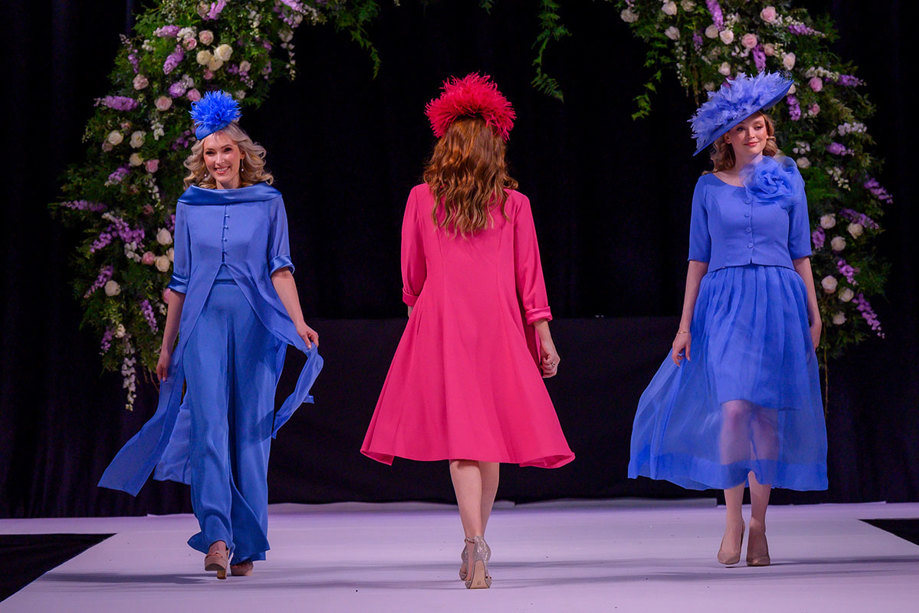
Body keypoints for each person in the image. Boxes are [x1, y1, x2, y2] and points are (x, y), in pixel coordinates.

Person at [361, 74, 574, 589]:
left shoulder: (420, 199)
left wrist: (421, 318)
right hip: (498, 326)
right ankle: (479, 542)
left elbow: (412, 277)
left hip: (444, 324)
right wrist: (543, 337)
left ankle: (472, 542)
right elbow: (531, 280)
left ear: (448, 145)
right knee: (490, 442)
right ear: (493, 147)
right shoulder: (514, 205)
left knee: (462, 441)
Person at [98, 91, 323, 580]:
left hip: (257, 326)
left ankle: (248, 544)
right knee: (208, 429)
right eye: (209, 152)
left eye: (225, 150)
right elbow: (179, 282)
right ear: (201, 159)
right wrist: (165, 347)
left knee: (250, 434)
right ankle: (217, 537)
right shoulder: (189, 205)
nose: (218, 159)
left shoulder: (268, 202)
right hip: (201, 325)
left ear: (242, 152)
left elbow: (280, 268)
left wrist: (299, 321)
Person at [628, 72, 828, 567]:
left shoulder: (787, 177)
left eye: (759, 125)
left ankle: (760, 523)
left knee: (767, 413)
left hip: (780, 300)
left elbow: (801, 253)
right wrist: (684, 325)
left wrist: (814, 312)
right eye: (742, 128)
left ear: (768, 130)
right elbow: (698, 259)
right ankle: (733, 518)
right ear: (726, 137)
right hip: (726, 301)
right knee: (735, 408)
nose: (752, 134)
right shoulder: (708, 188)